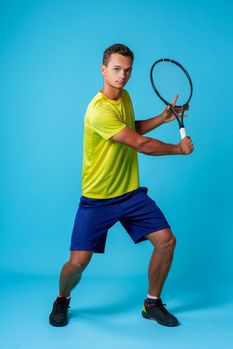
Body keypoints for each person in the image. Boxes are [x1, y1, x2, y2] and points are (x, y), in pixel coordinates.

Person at [49, 43, 193, 328]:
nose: (122, 76)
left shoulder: (124, 97)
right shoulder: (98, 110)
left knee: (166, 241)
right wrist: (178, 149)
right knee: (77, 264)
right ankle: (62, 299)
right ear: (103, 70)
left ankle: (152, 303)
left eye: (127, 70)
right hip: (97, 200)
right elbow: (139, 144)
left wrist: (163, 118)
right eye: (116, 69)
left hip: (129, 194)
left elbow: (131, 128)